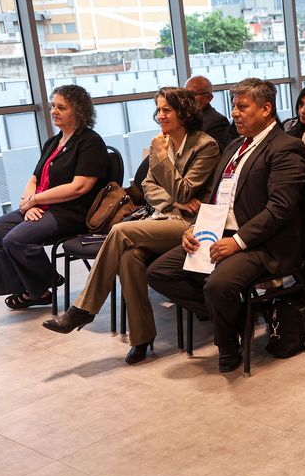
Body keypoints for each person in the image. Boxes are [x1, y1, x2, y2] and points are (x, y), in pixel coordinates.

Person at [43, 88, 220, 363]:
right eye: (158, 110)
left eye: (166, 110)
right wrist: (174, 199)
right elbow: (147, 187)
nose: (160, 116)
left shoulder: (205, 145)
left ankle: (83, 309)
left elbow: (186, 191)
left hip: (190, 225)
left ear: (183, 113)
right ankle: (142, 337)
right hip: (164, 217)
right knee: (129, 258)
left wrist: (163, 162)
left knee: (119, 230)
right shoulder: (162, 142)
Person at [146, 79, 305, 373]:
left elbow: (281, 209)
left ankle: (228, 344)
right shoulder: (234, 145)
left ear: (266, 109)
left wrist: (239, 242)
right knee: (160, 272)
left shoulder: (286, 147)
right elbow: (214, 198)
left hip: (264, 243)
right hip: (220, 232)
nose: (235, 113)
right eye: (234, 106)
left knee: (218, 284)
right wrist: (194, 227)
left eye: (242, 107)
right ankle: (237, 318)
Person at [0, 85, 107, 310]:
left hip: (71, 211)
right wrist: (27, 204)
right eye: (53, 106)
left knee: (14, 240)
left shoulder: (90, 141)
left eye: (61, 107)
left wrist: (36, 201)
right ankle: (30, 289)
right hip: (42, 206)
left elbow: (79, 187)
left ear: (78, 111)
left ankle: (42, 285)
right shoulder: (54, 142)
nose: (53, 111)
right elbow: (34, 178)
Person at [185, 75, 233, 149]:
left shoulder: (217, 121)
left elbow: (216, 153)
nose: (186, 99)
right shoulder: (185, 117)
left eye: (192, 94)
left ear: (208, 98)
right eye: (185, 94)